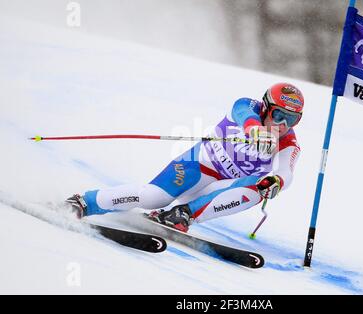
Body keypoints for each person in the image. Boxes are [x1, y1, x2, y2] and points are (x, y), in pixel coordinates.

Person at [67, 83, 303, 232]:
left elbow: (286, 172)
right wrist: (254, 130)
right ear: (265, 107)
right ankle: (86, 202)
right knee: (153, 197)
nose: (283, 124)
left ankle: (182, 215)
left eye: (291, 120)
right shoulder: (247, 107)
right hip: (198, 165)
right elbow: (242, 112)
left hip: (221, 188)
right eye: (279, 115)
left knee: (258, 189)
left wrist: (276, 183)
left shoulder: (288, 142)